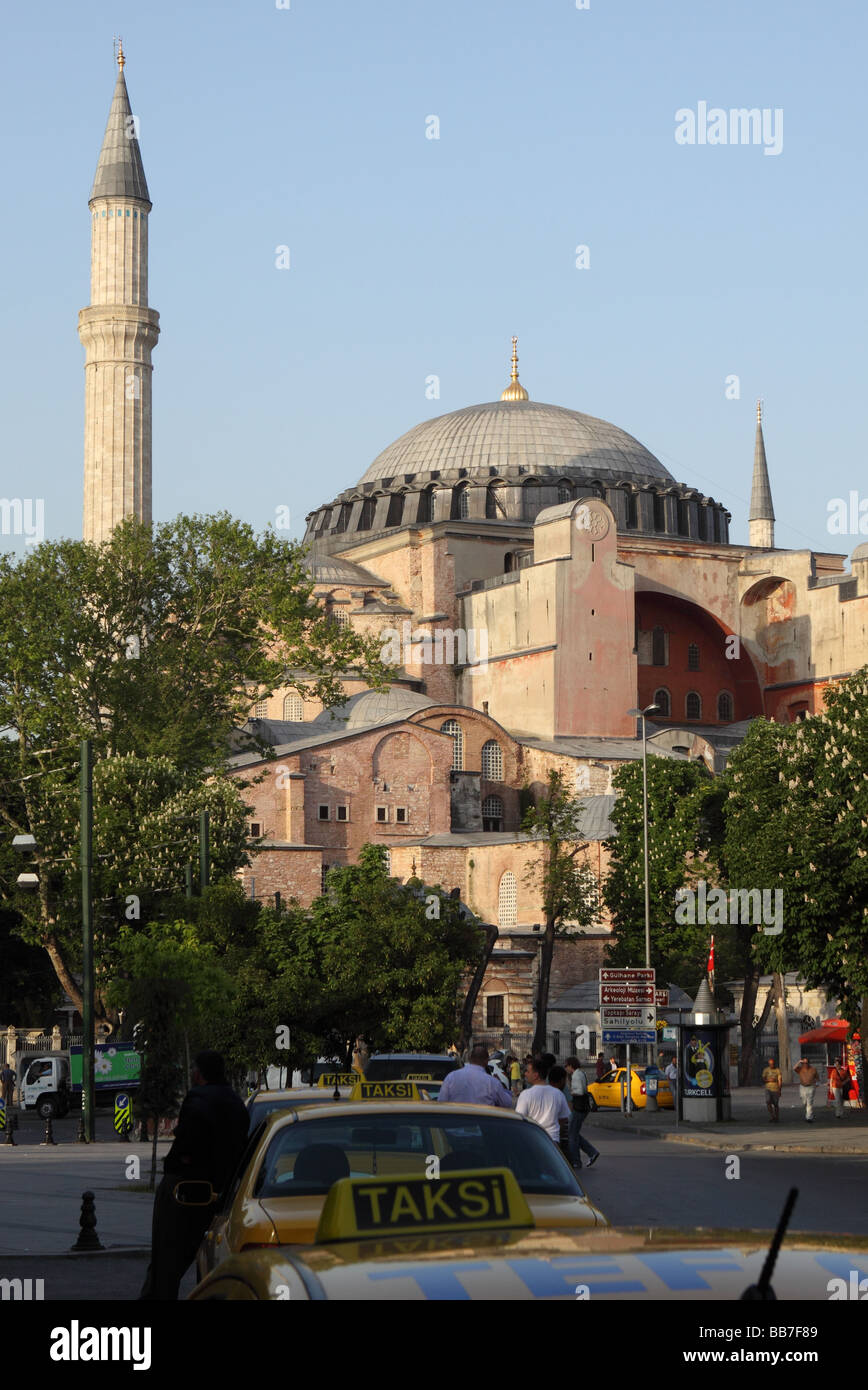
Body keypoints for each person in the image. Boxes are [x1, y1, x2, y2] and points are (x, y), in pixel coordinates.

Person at [140, 1050, 250, 1301]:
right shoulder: (236, 1103)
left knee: (166, 1259)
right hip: (220, 1192)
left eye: (193, 1070)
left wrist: (180, 1161)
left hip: (186, 1191)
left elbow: (188, 1141)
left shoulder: (199, 1098)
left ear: (199, 1074)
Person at [436, 1045, 514, 1108]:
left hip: (456, 1124)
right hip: (483, 1125)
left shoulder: (451, 1077)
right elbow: (507, 1104)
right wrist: (504, 1090)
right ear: (487, 1061)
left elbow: (441, 1103)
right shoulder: (492, 1083)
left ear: (470, 1059)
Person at [515, 1056, 570, 1142]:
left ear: (536, 1075)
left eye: (528, 1071)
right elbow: (563, 1118)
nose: (525, 1074)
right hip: (553, 1140)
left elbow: (519, 1119)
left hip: (533, 1139)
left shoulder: (526, 1094)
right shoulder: (558, 1094)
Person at [565, 1056, 600, 1168]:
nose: (566, 1068)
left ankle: (576, 1161)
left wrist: (570, 1093)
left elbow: (580, 1091)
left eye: (566, 1066)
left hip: (578, 1107)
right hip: (582, 1107)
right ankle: (592, 1152)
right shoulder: (581, 1073)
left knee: (572, 1135)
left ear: (571, 1065)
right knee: (574, 1133)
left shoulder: (576, 1075)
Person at [793, 1058, 818, 1122]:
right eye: (804, 1063)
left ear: (809, 1063)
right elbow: (794, 1068)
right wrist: (799, 1062)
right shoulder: (800, 1069)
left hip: (811, 1087)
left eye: (806, 1063)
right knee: (804, 1102)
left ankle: (809, 1117)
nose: (805, 1064)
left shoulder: (813, 1069)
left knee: (809, 1103)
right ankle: (808, 1113)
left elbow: (817, 1078)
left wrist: (817, 1083)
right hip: (802, 1087)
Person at [762, 1056, 783, 1123]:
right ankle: (772, 1116)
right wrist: (768, 1080)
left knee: (775, 1104)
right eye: (770, 1064)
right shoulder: (766, 1070)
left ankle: (777, 1117)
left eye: (772, 1064)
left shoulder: (777, 1070)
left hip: (775, 1089)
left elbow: (780, 1080)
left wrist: (779, 1090)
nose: (771, 1065)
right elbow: (763, 1079)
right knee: (768, 1102)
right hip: (768, 1088)